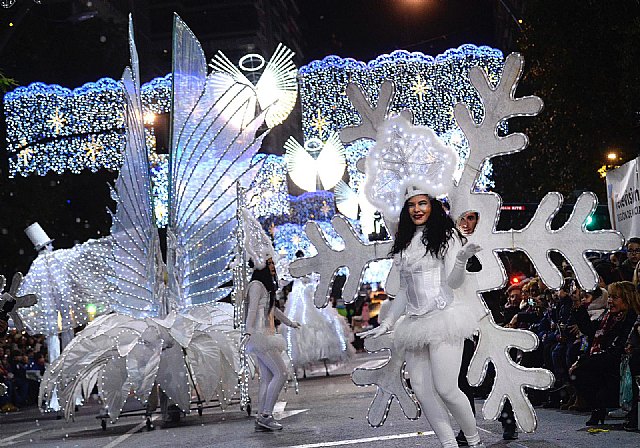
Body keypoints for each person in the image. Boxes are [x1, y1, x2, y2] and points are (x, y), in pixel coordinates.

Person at [361, 190, 483, 448]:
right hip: (414, 324)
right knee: (421, 388)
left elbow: (453, 282)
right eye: (412, 205)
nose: (417, 209)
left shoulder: (447, 236)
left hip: (444, 319)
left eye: (422, 203)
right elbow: (405, 291)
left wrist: (460, 259)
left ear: (432, 205)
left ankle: (475, 442)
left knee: (447, 389)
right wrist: (387, 323)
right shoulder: (405, 242)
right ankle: (448, 444)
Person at [570, 281, 639, 426]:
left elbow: (619, 347)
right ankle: (597, 408)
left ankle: (605, 407)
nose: (610, 301)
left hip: (618, 360)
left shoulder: (630, 317)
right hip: (606, 358)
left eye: (615, 297)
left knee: (583, 368)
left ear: (627, 299)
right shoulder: (608, 317)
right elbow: (590, 330)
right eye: (610, 297)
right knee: (578, 372)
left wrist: (585, 360)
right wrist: (577, 305)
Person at [244, 256, 301, 431]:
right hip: (260, 337)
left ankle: (262, 416)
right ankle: (266, 415)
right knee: (281, 373)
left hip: (264, 335)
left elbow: (272, 310)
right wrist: (248, 331)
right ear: (261, 266)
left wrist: (290, 322)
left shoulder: (263, 287)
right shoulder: (256, 286)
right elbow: (252, 309)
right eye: (270, 264)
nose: (273, 268)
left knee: (268, 378)